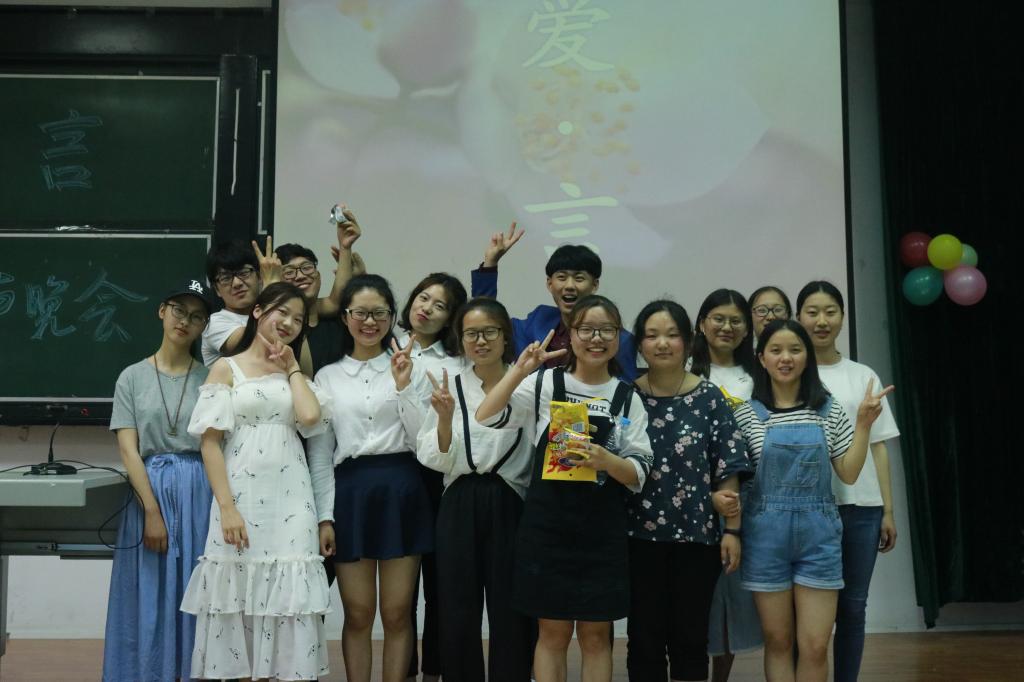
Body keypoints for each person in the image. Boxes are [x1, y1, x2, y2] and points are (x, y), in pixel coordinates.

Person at [476, 294, 653, 682]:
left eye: (606, 330)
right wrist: (519, 371)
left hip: (601, 534)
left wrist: (606, 460)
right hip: (547, 530)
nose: (596, 338)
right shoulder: (545, 382)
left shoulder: (627, 397)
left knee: (596, 636)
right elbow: (486, 416)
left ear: (618, 337)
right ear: (570, 335)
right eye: (586, 329)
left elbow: (639, 473)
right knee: (552, 633)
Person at [181, 282, 333, 680]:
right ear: (259, 311)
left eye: (298, 319)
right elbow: (210, 444)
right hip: (240, 498)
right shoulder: (225, 368)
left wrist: (293, 367)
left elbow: (310, 418)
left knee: (290, 598)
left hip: (292, 501)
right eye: (282, 312)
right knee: (237, 597)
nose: (289, 323)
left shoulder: (294, 373)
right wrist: (227, 508)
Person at [734, 319, 892, 682]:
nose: (785, 358)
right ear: (761, 358)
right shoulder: (745, 414)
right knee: (778, 642)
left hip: (819, 537)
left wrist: (864, 424)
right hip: (765, 538)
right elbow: (735, 478)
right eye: (776, 350)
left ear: (807, 357)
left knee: (816, 646)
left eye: (795, 350)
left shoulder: (829, 409)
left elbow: (848, 473)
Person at [307, 274, 434, 682]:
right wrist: (324, 517)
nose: (369, 321)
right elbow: (321, 455)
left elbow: (423, 441)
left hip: (402, 487)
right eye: (360, 312)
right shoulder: (327, 376)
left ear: (392, 317)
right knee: (358, 612)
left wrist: (403, 386)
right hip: (350, 493)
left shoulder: (410, 367)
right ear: (345, 317)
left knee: (397, 612)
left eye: (379, 313)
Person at [626, 299, 752, 682]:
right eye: (652, 335)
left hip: (696, 536)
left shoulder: (709, 397)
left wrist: (732, 531)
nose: (662, 343)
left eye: (672, 335)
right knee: (643, 638)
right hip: (636, 537)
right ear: (640, 343)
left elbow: (728, 466)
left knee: (691, 637)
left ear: (688, 340)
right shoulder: (625, 396)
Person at [416, 297, 535, 682]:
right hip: (459, 498)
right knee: (456, 604)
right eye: (471, 334)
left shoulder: (529, 384)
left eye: (489, 332)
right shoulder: (449, 384)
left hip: (510, 498)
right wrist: (445, 419)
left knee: (512, 606)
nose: (480, 341)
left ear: (505, 337)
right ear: (460, 338)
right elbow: (431, 456)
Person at [103, 278, 214, 682]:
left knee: (197, 589)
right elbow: (128, 449)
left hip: (199, 490)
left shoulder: (211, 378)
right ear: (162, 311)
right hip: (148, 491)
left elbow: (215, 446)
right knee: (147, 591)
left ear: (203, 326)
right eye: (179, 310)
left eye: (196, 316)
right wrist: (151, 511)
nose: (185, 321)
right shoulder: (131, 377)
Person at [795, 281, 900, 682]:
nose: (821, 321)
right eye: (812, 312)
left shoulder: (862, 375)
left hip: (861, 507)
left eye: (830, 312)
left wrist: (888, 510)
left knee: (853, 607)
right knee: (803, 611)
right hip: (807, 509)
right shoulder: (789, 372)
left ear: (842, 317)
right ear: (798, 317)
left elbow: (878, 447)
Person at [394, 272, 469, 682]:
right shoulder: (383, 345)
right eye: (423, 297)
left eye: (440, 306)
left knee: (441, 582)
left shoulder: (456, 364)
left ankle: (436, 670)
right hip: (397, 475)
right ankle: (402, 670)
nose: (426, 308)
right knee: (400, 589)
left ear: (450, 319)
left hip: (439, 475)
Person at [471, 224, 638, 379]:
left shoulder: (619, 340)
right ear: (549, 284)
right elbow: (486, 318)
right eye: (562, 277)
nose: (569, 286)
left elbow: (624, 391)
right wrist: (490, 264)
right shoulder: (537, 322)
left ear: (594, 285)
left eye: (579, 278)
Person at [274, 203, 363, 376]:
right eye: (289, 272)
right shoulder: (281, 329)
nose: (300, 276)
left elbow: (337, 299)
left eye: (307, 268)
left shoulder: (340, 322)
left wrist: (345, 248)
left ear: (319, 276)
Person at [690, 289, 756, 404]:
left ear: (746, 329)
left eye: (735, 321)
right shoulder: (685, 369)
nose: (727, 328)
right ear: (702, 324)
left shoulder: (760, 373)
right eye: (718, 319)